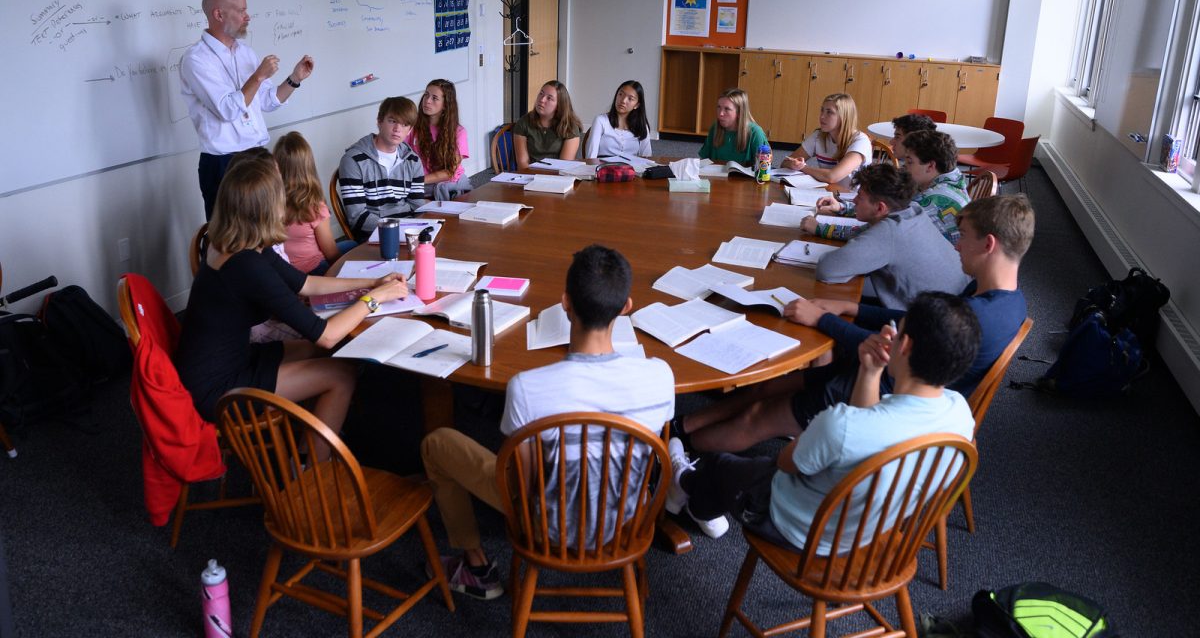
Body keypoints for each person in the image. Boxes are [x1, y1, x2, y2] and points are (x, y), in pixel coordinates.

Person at [675, 194, 1031, 456]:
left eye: (963, 236)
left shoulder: (979, 316)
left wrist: (825, 319)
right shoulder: (1005, 298)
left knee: (758, 416)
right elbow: (915, 322)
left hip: (886, 392)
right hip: (896, 375)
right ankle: (682, 426)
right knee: (773, 385)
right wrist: (852, 307)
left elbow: (887, 352)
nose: (956, 247)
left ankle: (671, 457)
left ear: (989, 244)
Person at [420, 245, 674, 600]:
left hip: (546, 529)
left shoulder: (527, 388)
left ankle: (476, 565)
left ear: (565, 304)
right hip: (625, 523)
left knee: (437, 443)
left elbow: (522, 483)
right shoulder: (661, 376)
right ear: (626, 306)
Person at [667, 292, 978, 550]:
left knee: (722, 466)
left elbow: (786, 464)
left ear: (904, 345)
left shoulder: (842, 425)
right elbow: (867, 421)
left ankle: (687, 493)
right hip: (867, 534)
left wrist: (814, 435)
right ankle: (697, 498)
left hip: (799, 529)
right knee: (757, 466)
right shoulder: (960, 412)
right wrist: (870, 372)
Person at [174, 157, 410, 458]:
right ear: (267, 207)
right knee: (341, 375)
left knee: (329, 356)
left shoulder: (239, 244)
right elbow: (325, 334)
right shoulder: (247, 266)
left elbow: (306, 284)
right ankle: (307, 475)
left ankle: (314, 434)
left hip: (226, 361)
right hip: (219, 390)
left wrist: (375, 282)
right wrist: (374, 299)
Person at [179, 0, 315, 219]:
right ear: (219, 15)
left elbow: (268, 101)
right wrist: (258, 76)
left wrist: (294, 79)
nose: (247, 17)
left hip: (257, 155)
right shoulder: (196, 60)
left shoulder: (245, 52)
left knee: (266, 227)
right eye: (241, 11)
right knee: (229, 237)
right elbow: (227, 109)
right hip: (225, 162)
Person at [813, 163, 968, 309]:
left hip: (929, 324)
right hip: (953, 304)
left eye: (859, 197)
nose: (854, 201)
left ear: (880, 208)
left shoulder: (890, 231)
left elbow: (827, 269)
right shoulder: (913, 210)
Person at [803, 129, 968, 244]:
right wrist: (842, 207)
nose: (904, 168)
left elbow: (880, 232)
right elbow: (891, 209)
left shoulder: (935, 201)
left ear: (930, 166)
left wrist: (822, 229)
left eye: (909, 162)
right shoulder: (944, 181)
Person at [338, 97, 426, 242]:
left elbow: (417, 207)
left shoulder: (413, 161)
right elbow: (357, 217)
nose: (397, 129)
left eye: (405, 125)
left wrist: (417, 230)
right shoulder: (353, 160)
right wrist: (399, 230)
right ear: (379, 122)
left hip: (408, 233)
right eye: (392, 121)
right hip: (373, 235)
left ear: (409, 130)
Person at [272, 132, 355, 276]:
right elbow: (330, 253)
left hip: (284, 271)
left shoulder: (270, 200)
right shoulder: (314, 205)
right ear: (308, 165)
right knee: (354, 246)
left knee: (349, 245)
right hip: (313, 270)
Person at [781, 93, 871, 185]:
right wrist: (792, 164)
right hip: (828, 191)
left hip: (851, 197)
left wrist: (802, 167)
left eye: (829, 112)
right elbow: (785, 162)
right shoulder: (818, 135)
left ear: (843, 117)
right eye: (822, 110)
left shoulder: (860, 141)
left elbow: (832, 177)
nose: (822, 116)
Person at [406, 79, 472, 201]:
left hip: (450, 185)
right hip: (421, 185)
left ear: (445, 105)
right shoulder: (413, 127)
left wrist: (417, 181)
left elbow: (449, 172)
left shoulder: (458, 132)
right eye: (426, 95)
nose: (427, 101)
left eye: (434, 98)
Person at [512, 80, 584, 170]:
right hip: (529, 176)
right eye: (541, 94)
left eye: (549, 98)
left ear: (559, 105)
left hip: (558, 177)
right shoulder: (523, 123)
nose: (542, 100)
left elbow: (564, 165)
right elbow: (522, 164)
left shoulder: (570, 127)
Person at [698, 88, 768, 167]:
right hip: (716, 176)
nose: (720, 113)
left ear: (739, 113)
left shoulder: (755, 132)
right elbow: (704, 160)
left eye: (727, 109)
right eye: (719, 107)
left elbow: (764, 166)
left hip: (744, 178)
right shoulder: (715, 127)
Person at [584, 80, 653, 159]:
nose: (623, 101)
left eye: (630, 99)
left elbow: (646, 158)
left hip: (631, 170)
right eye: (620, 94)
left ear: (636, 105)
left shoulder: (642, 125)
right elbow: (590, 157)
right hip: (603, 168)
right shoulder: (601, 121)